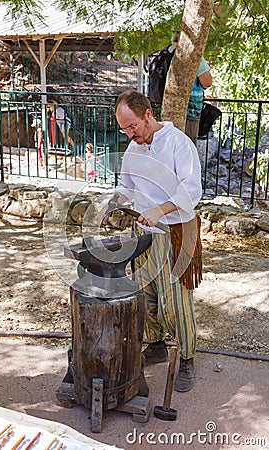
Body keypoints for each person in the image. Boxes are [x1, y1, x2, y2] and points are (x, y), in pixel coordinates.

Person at [101, 90, 202, 392]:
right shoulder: (134, 149)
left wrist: (160, 210)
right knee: (146, 297)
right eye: (124, 129)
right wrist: (112, 205)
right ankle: (156, 344)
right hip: (142, 235)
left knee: (175, 302)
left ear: (147, 114)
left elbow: (191, 189)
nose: (130, 134)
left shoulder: (177, 143)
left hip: (174, 233)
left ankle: (186, 358)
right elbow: (125, 186)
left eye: (133, 126)